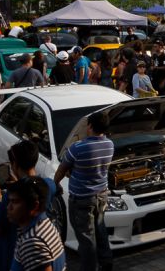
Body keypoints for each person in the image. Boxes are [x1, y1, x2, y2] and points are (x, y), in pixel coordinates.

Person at [54, 111, 114, 271]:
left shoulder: (77, 147)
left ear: (90, 126)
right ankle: (106, 263)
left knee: (87, 239)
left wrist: (56, 184)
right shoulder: (110, 145)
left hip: (81, 199)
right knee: (100, 230)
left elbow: (62, 169)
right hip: (101, 196)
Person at [0, 140, 58, 271]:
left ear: (15, 164)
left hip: (10, 254)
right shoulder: (47, 185)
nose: (10, 207)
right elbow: (44, 186)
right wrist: (20, 183)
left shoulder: (11, 197)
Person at [6, 176, 67, 271]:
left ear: (35, 206)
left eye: (15, 202)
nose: (8, 207)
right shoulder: (44, 223)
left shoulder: (32, 243)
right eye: (9, 201)